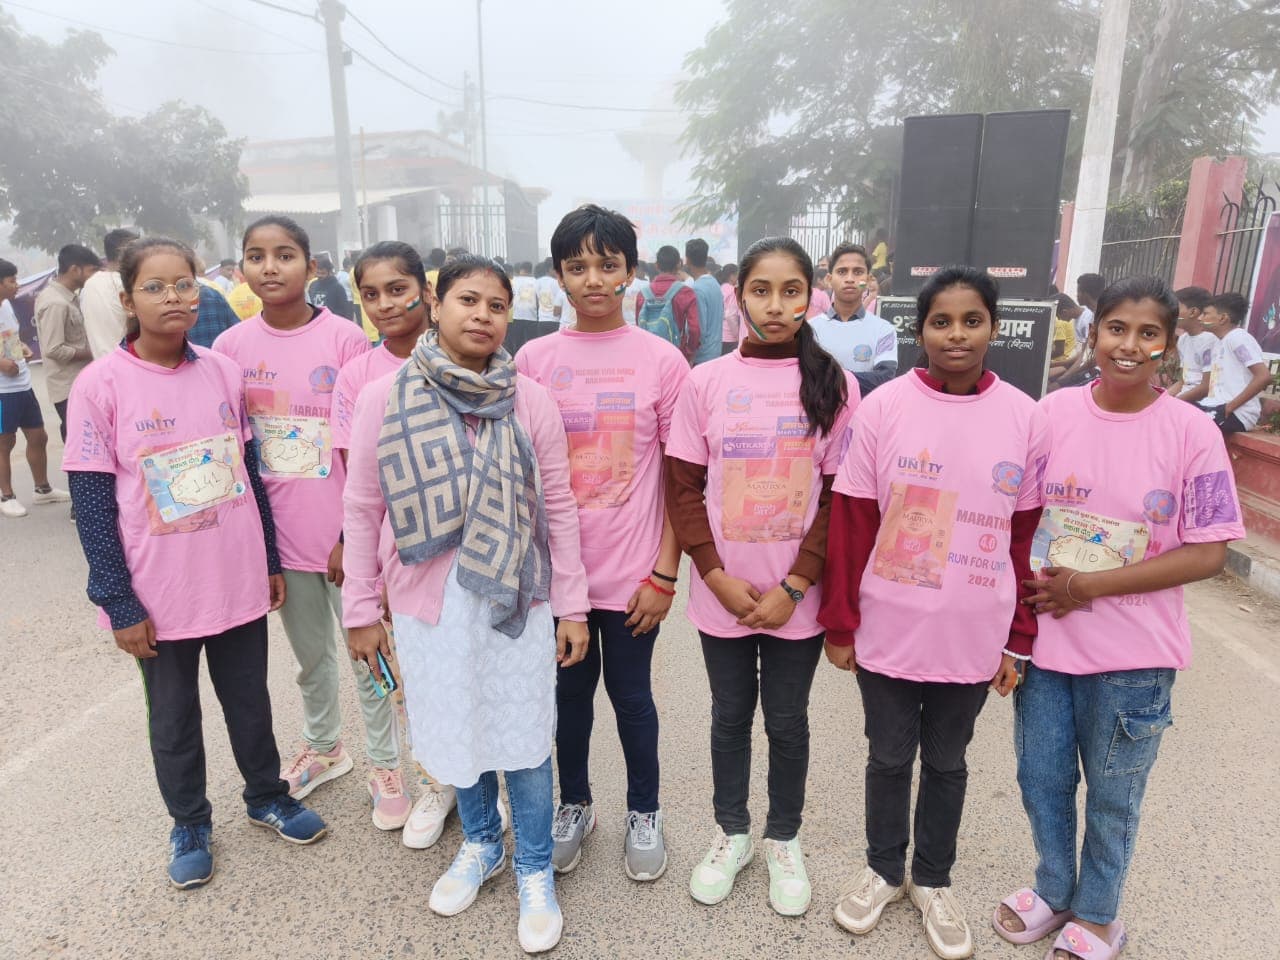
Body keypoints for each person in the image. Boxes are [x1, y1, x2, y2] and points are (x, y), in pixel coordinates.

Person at [62, 237, 327, 889]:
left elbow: (251, 473)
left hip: (234, 577)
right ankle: (189, 820)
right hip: (159, 594)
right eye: (155, 287)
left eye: (184, 284)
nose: (174, 297)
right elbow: (92, 504)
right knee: (175, 718)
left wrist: (266, 558)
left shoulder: (222, 371)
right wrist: (117, 601)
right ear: (127, 300)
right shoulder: (99, 386)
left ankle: (267, 795)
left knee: (250, 702)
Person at [343, 254, 589, 954]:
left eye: (497, 305)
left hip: (517, 595)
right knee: (455, 725)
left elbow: (559, 508)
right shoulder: (382, 398)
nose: (483, 315)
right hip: (428, 604)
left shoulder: (529, 400)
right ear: (436, 302)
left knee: (522, 733)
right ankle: (482, 843)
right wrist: (360, 608)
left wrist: (573, 605)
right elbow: (362, 509)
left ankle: (534, 866)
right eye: (468, 300)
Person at [997, 276, 1244, 960]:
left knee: (1113, 795)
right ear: (1093, 332)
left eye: (1148, 333)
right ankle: (1054, 889)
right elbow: (1020, 521)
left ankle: (1100, 913)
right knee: (1041, 778)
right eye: (1116, 329)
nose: (1128, 346)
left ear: (1167, 345)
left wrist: (1093, 587)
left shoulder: (1192, 433)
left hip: (1134, 660)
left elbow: (1210, 552)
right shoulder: (1053, 414)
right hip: (1048, 647)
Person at [819, 265, 1046, 960]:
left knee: (947, 762)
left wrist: (1019, 638)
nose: (956, 334)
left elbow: (1025, 536)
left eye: (971, 320)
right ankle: (884, 870)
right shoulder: (883, 409)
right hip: (889, 624)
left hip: (973, 630)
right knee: (888, 757)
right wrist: (841, 620)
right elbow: (852, 523)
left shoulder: (1023, 415)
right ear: (919, 330)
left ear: (993, 327)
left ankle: (933, 880)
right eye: (941, 321)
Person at [665, 237, 856, 916]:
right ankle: (733, 831)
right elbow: (683, 488)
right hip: (725, 595)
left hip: (792, 602)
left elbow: (839, 496)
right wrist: (713, 575)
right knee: (728, 717)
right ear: (739, 293)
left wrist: (797, 586)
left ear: (813, 296)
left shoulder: (834, 382)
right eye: (762, 290)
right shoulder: (705, 382)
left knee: (787, 721)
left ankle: (784, 837)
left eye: (792, 291)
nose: (776, 306)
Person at [211, 216, 405, 828]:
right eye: (256, 256)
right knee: (310, 657)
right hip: (283, 535)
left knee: (367, 652)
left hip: (348, 537)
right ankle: (326, 748)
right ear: (242, 268)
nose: (271, 267)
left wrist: (355, 537)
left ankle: (386, 761)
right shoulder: (231, 350)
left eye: (285, 254)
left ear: (311, 267)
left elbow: (363, 449)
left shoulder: (349, 341)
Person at [515, 205, 689, 883]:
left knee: (633, 698)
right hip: (558, 579)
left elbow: (680, 478)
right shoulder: (534, 359)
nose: (594, 278)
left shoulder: (661, 361)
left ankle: (645, 811)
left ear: (630, 272)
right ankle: (576, 804)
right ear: (559, 274)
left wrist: (666, 574)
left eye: (607, 264)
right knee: (568, 698)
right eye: (578, 265)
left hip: (633, 576)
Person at [331, 242, 471, 848]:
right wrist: (370, 582)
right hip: (400, 565)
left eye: (398, 288)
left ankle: (481, 783)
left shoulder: (473, 356)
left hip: (470, 560)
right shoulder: (360, 378)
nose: (386, 303)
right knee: (414, 681)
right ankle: (435, 784)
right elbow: (359, 495)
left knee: (472, 677)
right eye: (371, 294)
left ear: (429, 292)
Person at [0, 259, 69, 518]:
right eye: (11, 281)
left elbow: (10, 338)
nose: (16, 285)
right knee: (4, 442)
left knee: (39, 437)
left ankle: (43, 489)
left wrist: (22, 350)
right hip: (2, 393)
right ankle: (6, 495)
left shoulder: (6, 306)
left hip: (22, 383)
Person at [808, 242, 899, 396]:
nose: (850, 279)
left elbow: (884, 379)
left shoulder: (884, 330)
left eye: (857, 272)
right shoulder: (810, 330)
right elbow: (806, 378)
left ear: (869, 279)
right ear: (830, 279)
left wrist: (832, 377)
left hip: (867, 417)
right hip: (821, 417)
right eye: (842, 272)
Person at [34, 244, 100, 446]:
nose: (93, 276)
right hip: (68, 386)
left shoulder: (71, 298)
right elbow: (54, 349)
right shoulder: (55, 302)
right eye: (91, 271)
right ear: (74, 270)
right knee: (80, 442)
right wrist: (93, 352)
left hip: (81, 381)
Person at [1181, 292, 1270, 435]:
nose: (1200, 318)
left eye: (1205, 314)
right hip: (1214, 405)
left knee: (1188, 429)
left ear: (1223, 318)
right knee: (1174, 415)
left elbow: (1263, 376)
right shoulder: (1218, 341)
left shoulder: (1237, 338)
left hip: (1236, 413)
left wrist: (1229, 407)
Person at [81, 228, 139, 359]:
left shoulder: (89, 285)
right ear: (126, 252)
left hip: (102, 366)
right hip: (131, 364)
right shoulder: (127, 284)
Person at [637, 245, 701, 363]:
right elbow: (694, 329)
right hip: (676, 355)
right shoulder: (686, 292)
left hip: (650, 356)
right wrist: (688, 351)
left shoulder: (642, 294)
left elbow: (639, 326)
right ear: (679, 264)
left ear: (656, 265)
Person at [1172, 286, 1220, 399]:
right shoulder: (1183, 340)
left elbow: (1206, 387)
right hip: (1184, 398)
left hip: (1202, 403)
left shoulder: (1210, 340)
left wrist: (1175, 403)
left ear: (1193, 312)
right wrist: (1161, 399)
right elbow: (1182, 382)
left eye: (1175, 308)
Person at [686, 238, 725, 367]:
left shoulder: (697, 288)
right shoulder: (714, 283)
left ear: (687, 260)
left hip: (702, 356)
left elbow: (699, 328)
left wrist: (690, 353)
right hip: (715, 351)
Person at [189, 278, 239, 349]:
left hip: (189, 357)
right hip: (219, 356)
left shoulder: (172, 302)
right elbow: (236, 332)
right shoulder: (213, 295)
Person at [309, 255, 354, 321]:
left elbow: (345, 311)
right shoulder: (313, 285)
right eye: (318, 273)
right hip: (316, 323)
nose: (319, 276)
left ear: (330, 272)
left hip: (332, 323)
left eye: (323, 273)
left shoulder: (338, 288)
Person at [510, 261, 538, 354]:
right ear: (531, 270)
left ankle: (518, 361)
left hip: (516, 315)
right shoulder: (536, 282)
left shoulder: (513, 281)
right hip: (532, 316)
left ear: (520, 269)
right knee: (531, 341)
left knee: (518, 342)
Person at [534, 259, 563, 340]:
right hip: (555, 320)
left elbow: (536, 301)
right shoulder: (557, 283)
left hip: (542, 320)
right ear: (551, 269)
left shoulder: (537, 282)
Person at [718, 263, 740, 353]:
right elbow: (730, 315)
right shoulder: (733, 291)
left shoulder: (720, 288)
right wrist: (737, 335)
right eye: (737, 275)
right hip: (729, 336)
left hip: (719, 335)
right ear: (732, 276)